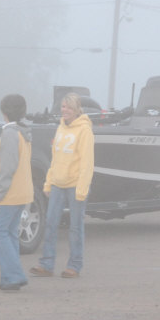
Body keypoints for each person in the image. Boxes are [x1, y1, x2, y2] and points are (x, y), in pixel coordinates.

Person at [30, 92, 94, 279]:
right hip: (58, 183)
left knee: (75, 227)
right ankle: (46, 264)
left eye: (69, 107)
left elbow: (87, 162)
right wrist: (48, 183)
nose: (65, 110)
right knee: (50, 223)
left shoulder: (84, 130)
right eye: (63, 107)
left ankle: (74, 265)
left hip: (75, 186)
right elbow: (55, 157)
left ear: (76, 109)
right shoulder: (60, 128)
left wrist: (82, 189)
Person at [0, 94, 33, 291]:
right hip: (22, 192)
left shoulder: (9, 133)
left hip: (10, 193)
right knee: (9, 233)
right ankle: (8, 276)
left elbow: (7, 168)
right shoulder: (23, 132)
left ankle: (14, 275)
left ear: (4, 111)